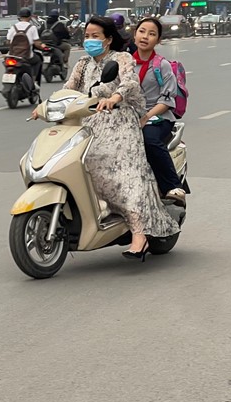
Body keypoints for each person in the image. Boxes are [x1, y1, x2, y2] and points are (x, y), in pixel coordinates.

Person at [37, 15, 180, 260]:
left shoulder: (121, 58)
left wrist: (115, 98)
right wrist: (46, 105)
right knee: (76, 160)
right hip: (89, 121)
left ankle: (139, 234)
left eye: (96, 36)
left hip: (120, 119)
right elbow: (68, 89)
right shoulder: (82, 63)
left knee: (119, 170)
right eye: (87, 36)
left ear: (108, 39)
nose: (90, 40)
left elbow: (130, 84)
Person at [132, 17, 187, 206]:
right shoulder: (125, 63)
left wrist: (146, 117)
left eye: (152, 34)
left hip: (158, 116)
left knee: (149, 140)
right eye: (142, 31)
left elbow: (167, 100)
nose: (145, 36)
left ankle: (173, 186)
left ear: (158, 40)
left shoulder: (161, 65)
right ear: (134, 34)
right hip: (130, 117)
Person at [7, 7, 44, 86]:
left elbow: (8, 41)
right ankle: (33, 80)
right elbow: (37, 43)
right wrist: (42, 46)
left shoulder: (14, 27)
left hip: (13, 56)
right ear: (30, 17)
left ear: (19, 17)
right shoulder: (32, 28)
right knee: (38, 60)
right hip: (27, 56)